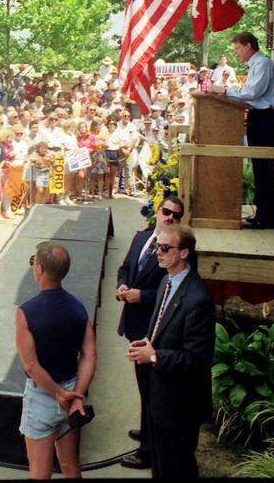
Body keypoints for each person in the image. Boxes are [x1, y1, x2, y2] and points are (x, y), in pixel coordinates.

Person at [127, 222, 215, 478]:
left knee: (177, 466)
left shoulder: (198, 299)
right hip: (159, 396)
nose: (158, 252)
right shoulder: (167, 280)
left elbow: (198, 359)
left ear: (184, 252)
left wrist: (153, 356)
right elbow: (160, 327)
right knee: (161, 464)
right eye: (157, 246)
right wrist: (147, 341)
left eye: (164, 248)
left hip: (180, 403)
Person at [15, 240, 96, 480]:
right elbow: (90, 354)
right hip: (73, 395)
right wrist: (77, 395)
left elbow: (31, 365)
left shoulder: (26, 312)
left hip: (44, 397)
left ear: (39, 268)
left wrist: (57, 393)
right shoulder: (79, 308)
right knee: (70, 465)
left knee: (39, 473)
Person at [114, 196, 180, 469]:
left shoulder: (176, 250)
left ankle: (148, 450)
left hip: (154, 330)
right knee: (143, 386)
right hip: (134, 325)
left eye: (176, 215)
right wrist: (122, 285)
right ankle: (148, 428)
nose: (169, 218)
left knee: (151, 387)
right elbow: (125, 268)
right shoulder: (142, 237)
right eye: (166, 211)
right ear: (157, 211)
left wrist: (142, 295)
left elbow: (173, 293)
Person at [208, 32, 274, 229]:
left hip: (267, 118)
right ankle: (262, 213)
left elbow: (252, 93)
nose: (236, 53)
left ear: (249, 45)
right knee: (259, 168)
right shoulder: (255, 65)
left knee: (264, 167)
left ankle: (268, 218)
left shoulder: (263, 64)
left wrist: (224, 91)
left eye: (238, 49)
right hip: (258, 117)